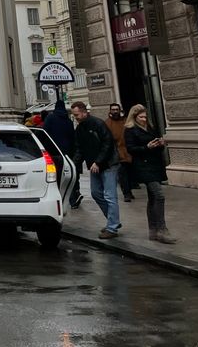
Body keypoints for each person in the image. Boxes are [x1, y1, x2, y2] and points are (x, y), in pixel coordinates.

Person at [124, 104, 175, 244]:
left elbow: (157, 146)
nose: (144, 119)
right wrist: (146, 147)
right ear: (134, 117)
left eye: (145, 116)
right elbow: (131, 149)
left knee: (153, 197)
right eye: (141, 117)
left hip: (155, 165)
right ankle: (162, 229)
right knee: (159, 195)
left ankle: (153, 230)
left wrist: (160, 144)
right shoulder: (130, 130)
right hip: (143, 167)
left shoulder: (150, 127)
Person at [70, 101, 121, 239]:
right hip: (95, 166)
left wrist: (98, 162)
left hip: (108, 164)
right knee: (96, 193)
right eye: (74, 115)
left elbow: (108, 143)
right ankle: (113, 220)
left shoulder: (97, 123)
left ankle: (112, 226)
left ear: (84, 111)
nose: (76, 117)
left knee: (110, 196)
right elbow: (79, 149)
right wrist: (73, 165)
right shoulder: (80, 129)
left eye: (77, 114)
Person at [43, 98, 83, 208]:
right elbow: (72, 137)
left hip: (54, 153)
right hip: (67, 153)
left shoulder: (50, 118)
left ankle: (58, 199)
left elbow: (44, 134)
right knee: (70, 175)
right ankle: (74, 197)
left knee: (57, 177)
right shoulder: (68, 121)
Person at [105, 102, 134, 202]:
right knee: (122, 174)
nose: (115, 111)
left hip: (128, 151)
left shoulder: (125, 121)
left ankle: (129, 190)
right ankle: (127, 193)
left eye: (116, 109)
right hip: (117, 152)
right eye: (113, 110)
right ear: (110, 111)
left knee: (129, 172)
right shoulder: (107, 123)